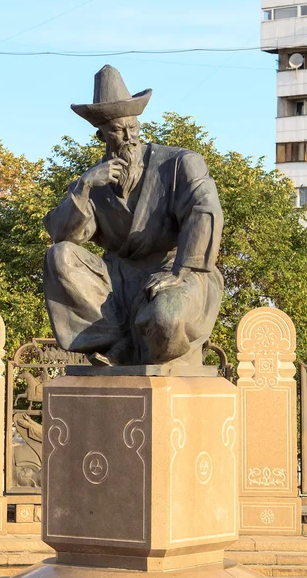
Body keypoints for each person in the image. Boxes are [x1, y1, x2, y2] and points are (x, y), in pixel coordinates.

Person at [43, 65, 224, 366]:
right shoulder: (93, 183)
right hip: (116, 284)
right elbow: (62, 236)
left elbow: (205, 211)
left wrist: (179, 272)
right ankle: (117, 340)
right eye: (117, 129)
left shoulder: (180, 164)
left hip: (175, 270)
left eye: (133, 127)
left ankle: (148, 343)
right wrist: (85, 186)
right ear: (101, 134)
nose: (128, 136)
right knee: (59, 255)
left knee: (166, 321)